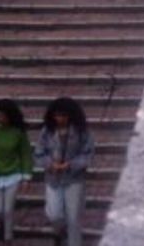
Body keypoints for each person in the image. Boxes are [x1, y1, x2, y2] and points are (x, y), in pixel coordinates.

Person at [35, 97, 94, 246]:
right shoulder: (47, 132)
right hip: (53, 179)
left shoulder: (82, 132)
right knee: (54, 215)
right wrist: (50, 164)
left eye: (63, 115)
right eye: (57, 115)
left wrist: (71, 165)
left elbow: (88, 154)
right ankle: (59, 232)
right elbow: (38, 153)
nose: (60, 119)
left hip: (74, 179)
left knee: (74, 218)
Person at [0, 99, 33, 242]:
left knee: (8, 209)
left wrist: (26, 177)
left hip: (13, 174)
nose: (0, 118)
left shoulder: (18, 132)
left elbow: (25, 154)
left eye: (4, 116)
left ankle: (8, 236)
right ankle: (1, 225)